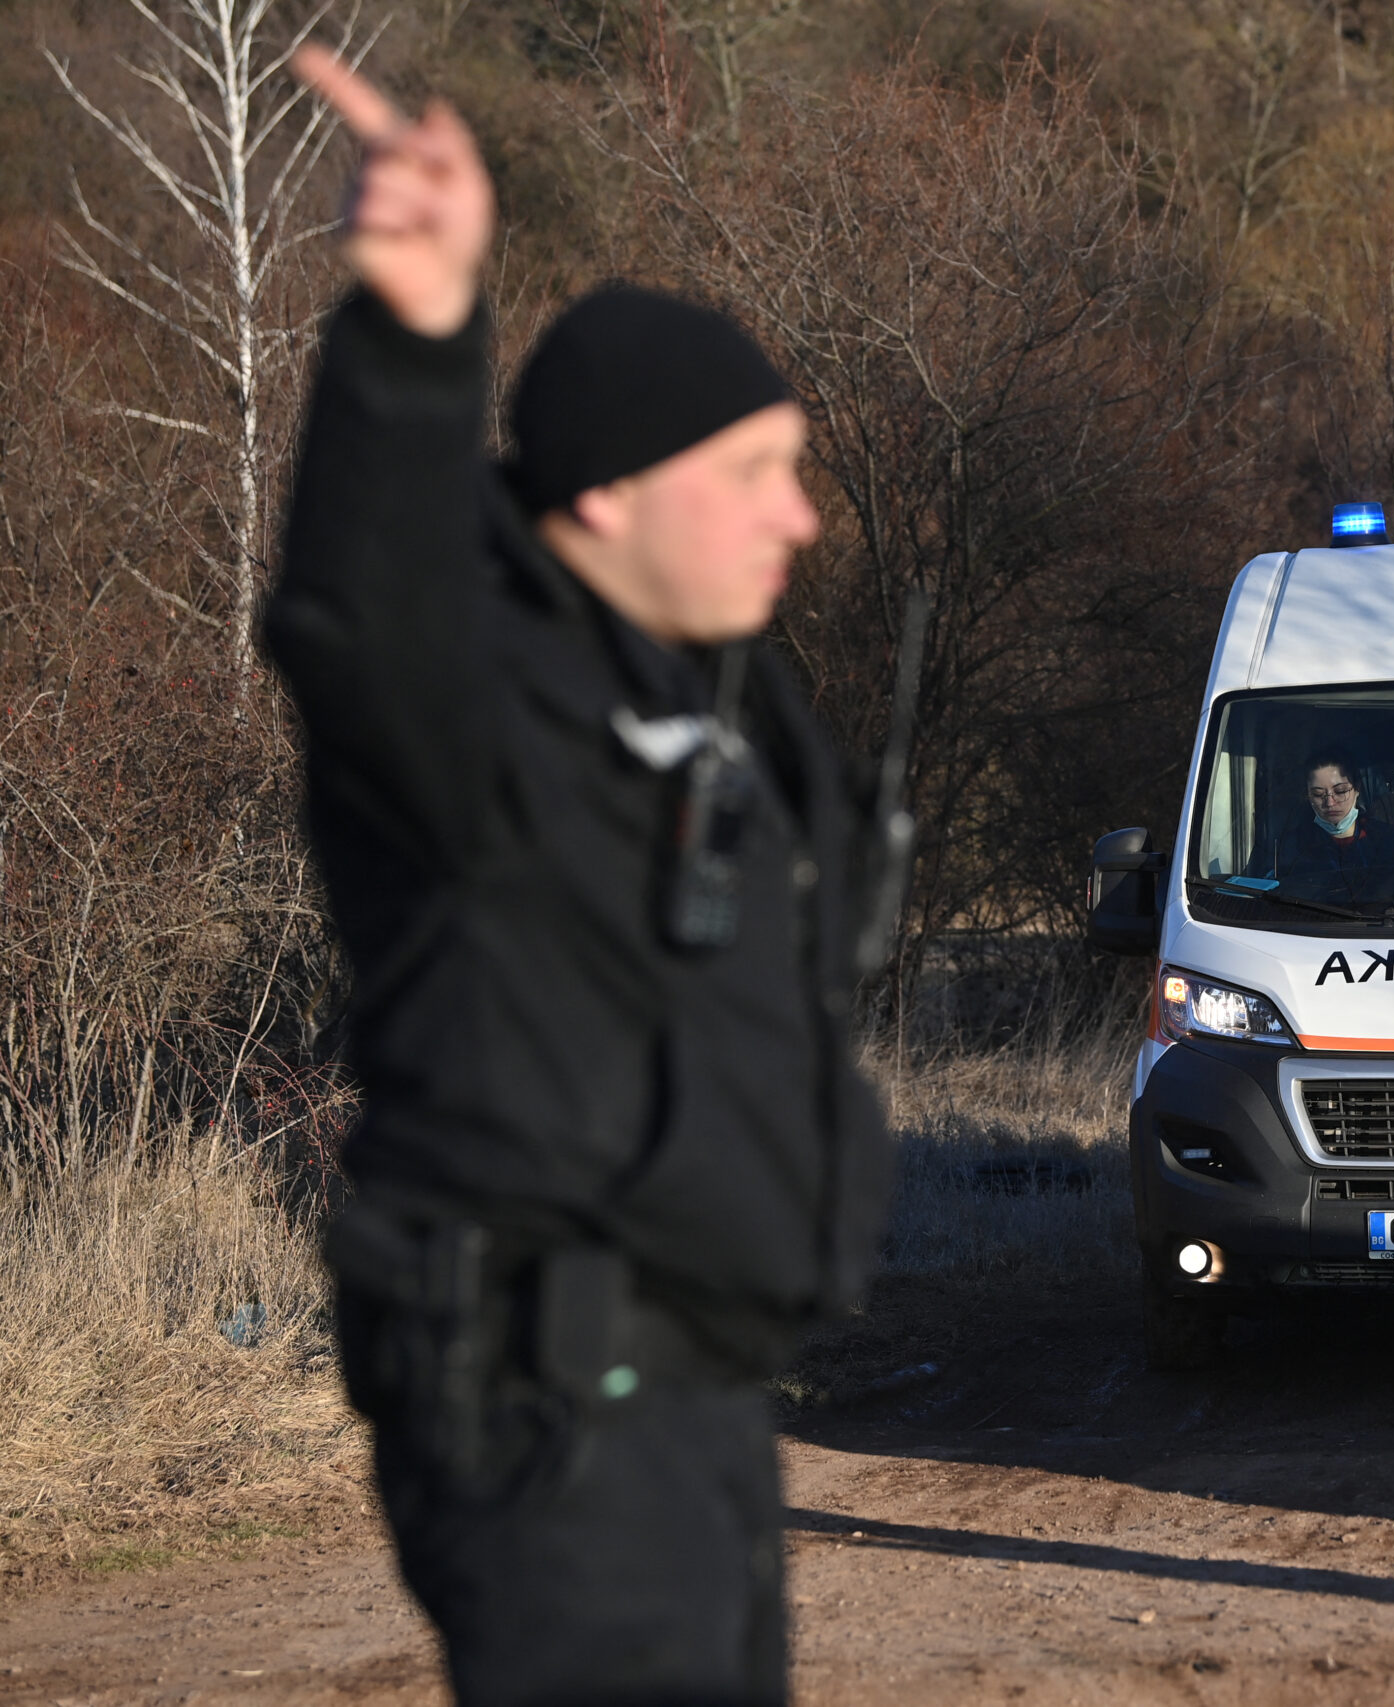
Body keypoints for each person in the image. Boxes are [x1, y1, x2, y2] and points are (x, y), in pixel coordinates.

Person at [265, 50, 891, 1707]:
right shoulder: (475, 710)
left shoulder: (697, 697)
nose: (803, 518)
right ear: (608, 489)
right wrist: (414, 333)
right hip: (552, 1397)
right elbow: (352, 609)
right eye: (754, 472)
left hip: (688, 1390)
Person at [1266, 749, 1394, 878]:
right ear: (1307, 795)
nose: (1330, 803)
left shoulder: (1391, 840)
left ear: (1357, 789)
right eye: (1318, 794)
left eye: (1340, 791)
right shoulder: (1291, 847)